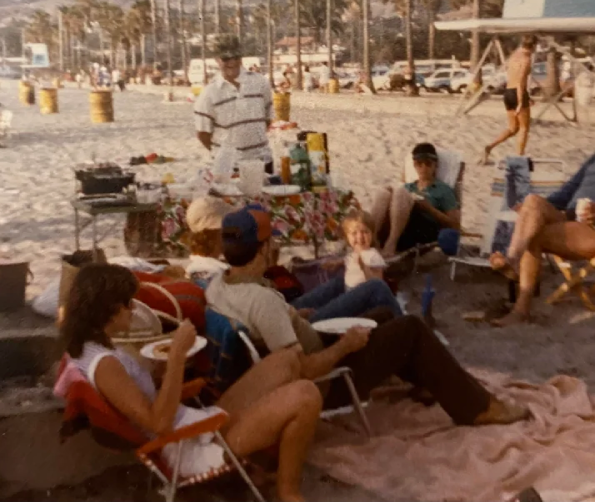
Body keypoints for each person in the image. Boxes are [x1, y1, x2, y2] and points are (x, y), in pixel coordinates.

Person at [206, 204, 529, 425]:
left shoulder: (217, 285)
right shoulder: (263, 302)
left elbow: (274, 331)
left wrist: (295, 315)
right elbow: (301, 370)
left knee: (382, 315)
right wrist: (344, 346)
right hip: (326, 383)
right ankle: (478, 409)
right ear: (263, 249)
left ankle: (430, 381)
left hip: (298, 353)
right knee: (411, 328)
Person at [61, 263, 321, 502]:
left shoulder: (89, 348)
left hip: (193, 425)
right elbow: (159, 424)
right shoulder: (105, 366)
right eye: (128, 303)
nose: (132, 309)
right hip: (188, 449)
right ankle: (288, 493)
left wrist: (163, 374)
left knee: (285, 361)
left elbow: (140, 402)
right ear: (110, 309)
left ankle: (269, 461)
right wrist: (176, 357)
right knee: (306, 395)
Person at [489, 103, 595, 326]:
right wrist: (534, 210)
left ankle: (521, 306)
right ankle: (513, 259)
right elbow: (568, 190)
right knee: (531, 202)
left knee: (534, 235)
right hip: (571, 219)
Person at [290, 210, 402, 323]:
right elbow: (348, 259)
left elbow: (378, 281)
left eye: (365, 232)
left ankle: (313, 316)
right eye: (354, 233)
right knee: (338, 282)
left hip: (364, 302)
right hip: (350, 291)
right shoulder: (354, 253)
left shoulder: (372, 255)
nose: (360, 237)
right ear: (347, 237)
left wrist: (364, 267)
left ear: (372, 235)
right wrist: (336, 263)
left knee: (341, 287)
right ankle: (297, 310)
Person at [194, 36, 275, 173]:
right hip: (229, 168)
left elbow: (267, 119)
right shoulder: (208, 93)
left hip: (263, 161)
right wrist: (226, 155)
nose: (232, 62)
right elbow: (203, 134)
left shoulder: (260, 82)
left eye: (236, 57)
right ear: (217, 60)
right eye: (226, 59)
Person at [371, 143, 461, 258]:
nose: (423, 168)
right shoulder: (409, 186)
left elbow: (455, 225)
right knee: (384, 192)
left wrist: (429, 208)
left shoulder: (443, 190)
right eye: (419, 164)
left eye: (428, 164)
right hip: (402, 227)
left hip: (422, 232)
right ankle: (373, 240)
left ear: (435, 165)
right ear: (414, 165)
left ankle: (391, 244)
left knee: (400, 193)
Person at [481, 34, 537, 164]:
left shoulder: (514, 56)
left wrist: (527, 97)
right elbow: (521, 82)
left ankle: (490, 146)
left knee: (513, 128)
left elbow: (513, 77)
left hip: (508, 92)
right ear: (533, 46)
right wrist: (521, 101)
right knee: (524, 128)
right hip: (518, 92)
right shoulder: (526, 60)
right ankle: (519, 157)